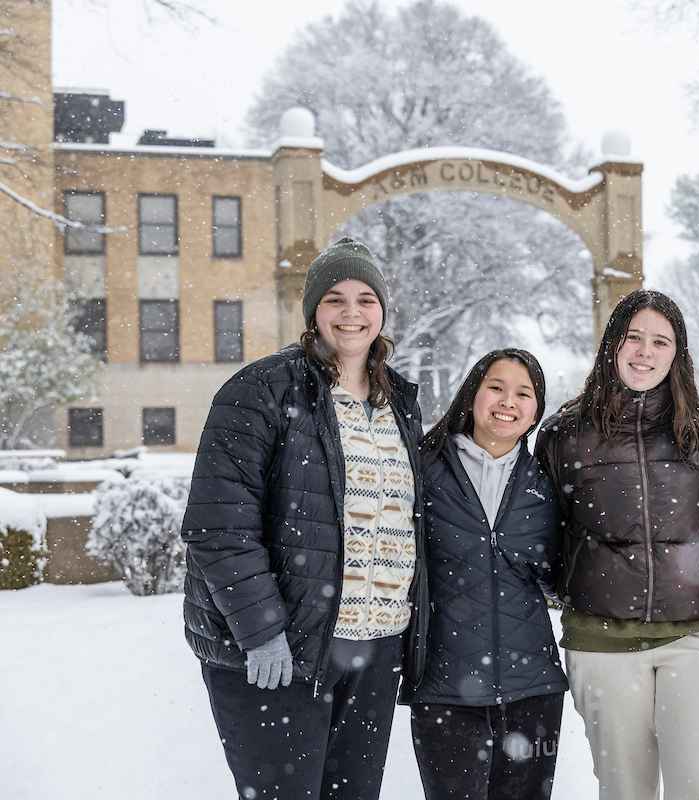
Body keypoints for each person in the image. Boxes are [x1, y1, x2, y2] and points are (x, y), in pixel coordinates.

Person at [181, 236, 427, 800]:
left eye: (366, 299)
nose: (351, 312)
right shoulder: (261, 390)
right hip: (283, 654)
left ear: (382, 312)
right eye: (335, 298)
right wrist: (263, 633)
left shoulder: (400, 404)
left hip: (374, 648)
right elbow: (219, 524)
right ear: (313, 310)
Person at [535, 289, 699, 800]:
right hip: (602, 639)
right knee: (626, 791)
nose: (645, 352)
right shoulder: (566, 430)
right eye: (634, 338)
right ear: (612, 345)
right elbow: (543, 528)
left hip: (695, 632)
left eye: (660, 341)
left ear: (677, 353)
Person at [404, 348, 567, 800]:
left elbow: (561, 573)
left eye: (523, 393)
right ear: (472, 394)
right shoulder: (423, 468)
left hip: (533, 688)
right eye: (496, 387)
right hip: (445, 688)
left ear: (536, 411)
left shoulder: (546, 481)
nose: (507, 402)